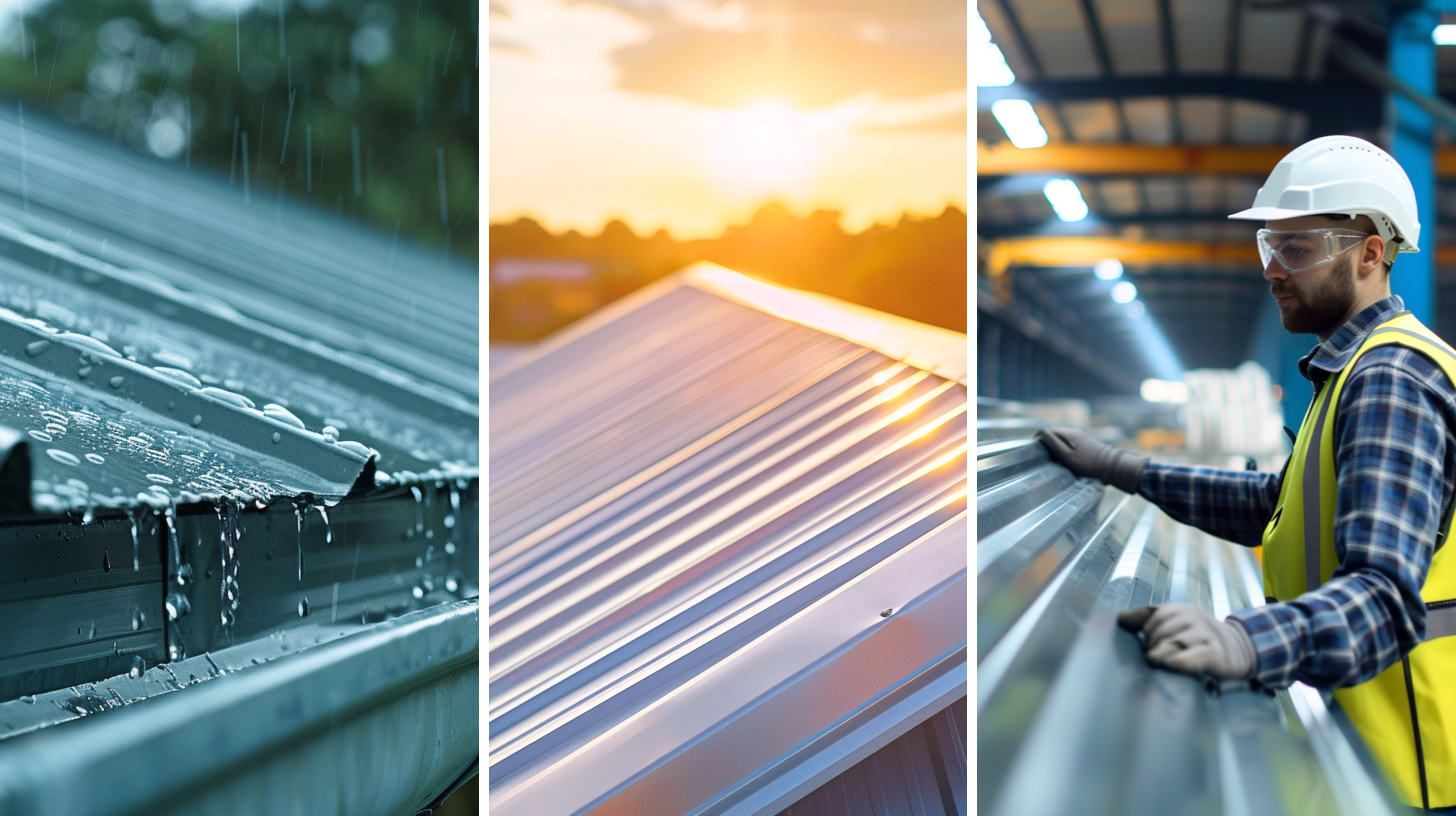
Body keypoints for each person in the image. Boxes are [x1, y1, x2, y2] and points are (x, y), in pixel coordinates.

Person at [1038, 135, 1456, 812]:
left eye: (1298, 249)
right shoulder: (1354, 370)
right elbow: (1282, 504)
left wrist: (1244, 642)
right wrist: (1126, 469)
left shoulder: (1390, 379)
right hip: (1370, 752)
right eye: (1270, 245)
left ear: (1372, 254)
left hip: (1413, 777)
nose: (1273, 270)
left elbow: (1385, 598)